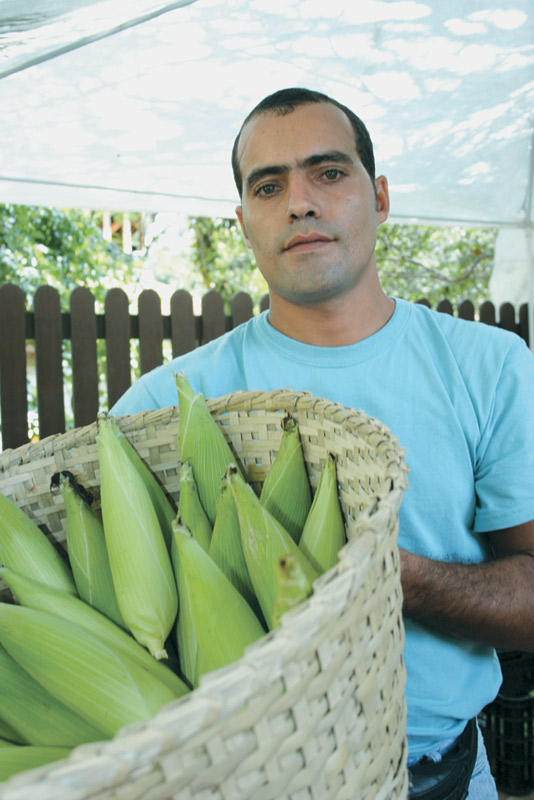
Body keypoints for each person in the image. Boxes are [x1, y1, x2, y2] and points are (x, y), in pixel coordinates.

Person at [111, 87, 534, 798]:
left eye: (329, 173)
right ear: (244, 222)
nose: (300, 203)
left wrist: (396, 576)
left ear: (382, 197)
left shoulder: (490, 368)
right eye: (269, 186)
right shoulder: (164, 406)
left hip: (447, 777)